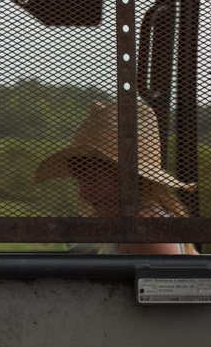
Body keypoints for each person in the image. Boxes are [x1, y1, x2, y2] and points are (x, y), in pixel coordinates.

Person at [35, 99, 197, 255]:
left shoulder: (142, 228)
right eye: (80, 182)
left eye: (92, 179)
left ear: (130, 180)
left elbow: (177, 277)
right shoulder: (139, 221)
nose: (83, 193)